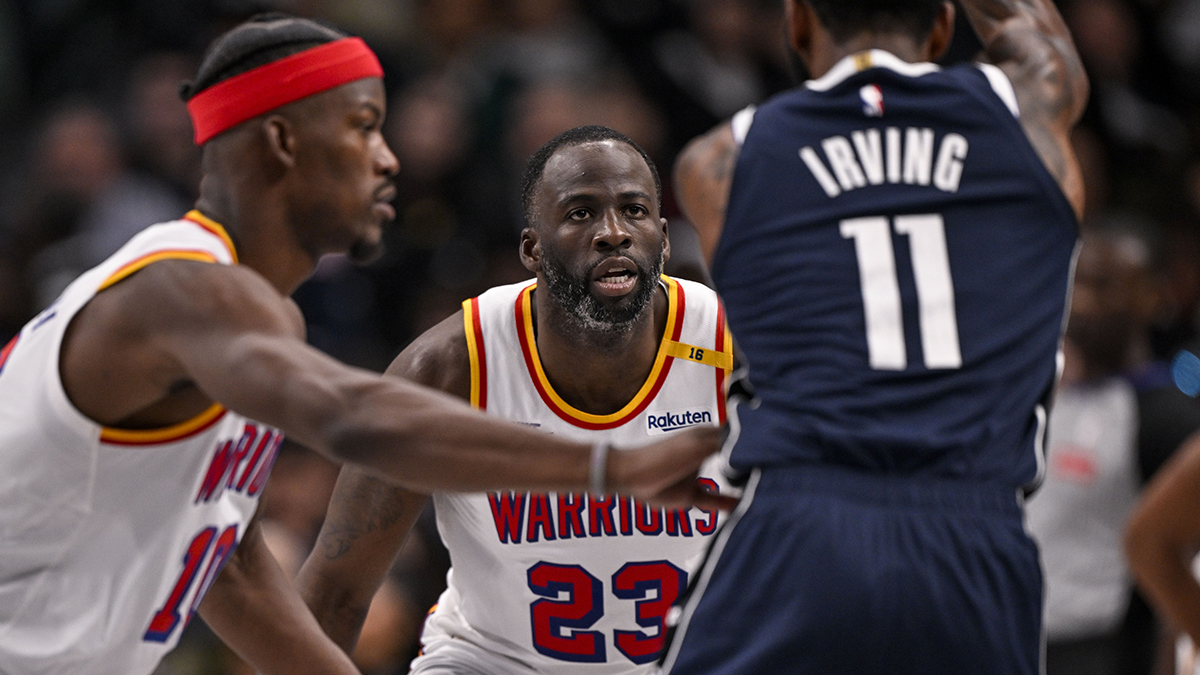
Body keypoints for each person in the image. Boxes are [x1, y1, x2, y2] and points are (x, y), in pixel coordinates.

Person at [0, 16, 727, 675]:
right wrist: (607, 465)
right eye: (363, 126)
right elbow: (353, 415)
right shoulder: (185, 291)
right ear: (284, 141)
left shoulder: (247, 316)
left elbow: (232, 565)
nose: (388, 158)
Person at [659, 1, 1088, 674]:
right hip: (979, 532)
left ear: (797, 24)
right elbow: (1039, 43)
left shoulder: (721, 161)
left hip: (805, 521)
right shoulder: (1029, 111)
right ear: (944, 26)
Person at [295, 124, 735, 675]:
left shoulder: (733, 348)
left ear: (665, 239)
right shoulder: (447, 369)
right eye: (581, 213)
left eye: (635, 211)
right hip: (493, 663)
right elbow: (336, 591)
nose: (613, 233)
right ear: (531, 248)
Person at [1027, 220, 1200, 675]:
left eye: (1104, 285)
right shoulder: (1039, 393)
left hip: (1106, 648)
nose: (1084, 300)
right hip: (1023, 636)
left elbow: (1174, 551)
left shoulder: (1166, 415)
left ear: (1151, 294)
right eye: (1077, 280)